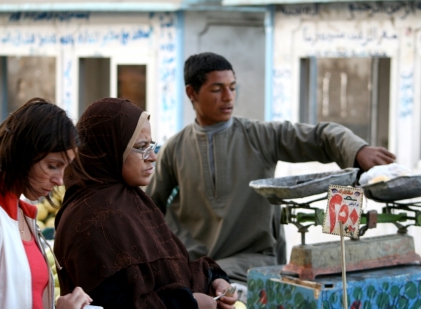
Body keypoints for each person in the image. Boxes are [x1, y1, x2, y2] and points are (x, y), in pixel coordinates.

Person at [146, 52, 396, 287]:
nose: (228, 97)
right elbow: (149, 208)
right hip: (193, 265)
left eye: (233, 88)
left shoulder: (260, 136)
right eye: (216, 89)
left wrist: (358, 150)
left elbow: (320, 136)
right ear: (192, 93)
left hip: (252, 260)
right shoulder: (174, 149)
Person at [53, 98, 238, 309]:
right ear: (108, 149)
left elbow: (174, 271)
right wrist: (190, 303)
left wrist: (214, 281)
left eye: (151, 145)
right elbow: (115, 304)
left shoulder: (133, 201)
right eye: (141, 147)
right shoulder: (90, 219)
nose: (152, 157)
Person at [0, 98, 92, 309]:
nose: (59, 180)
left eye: (65, 168)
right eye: (52, 166)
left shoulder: (23, 215)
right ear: (22, 154)